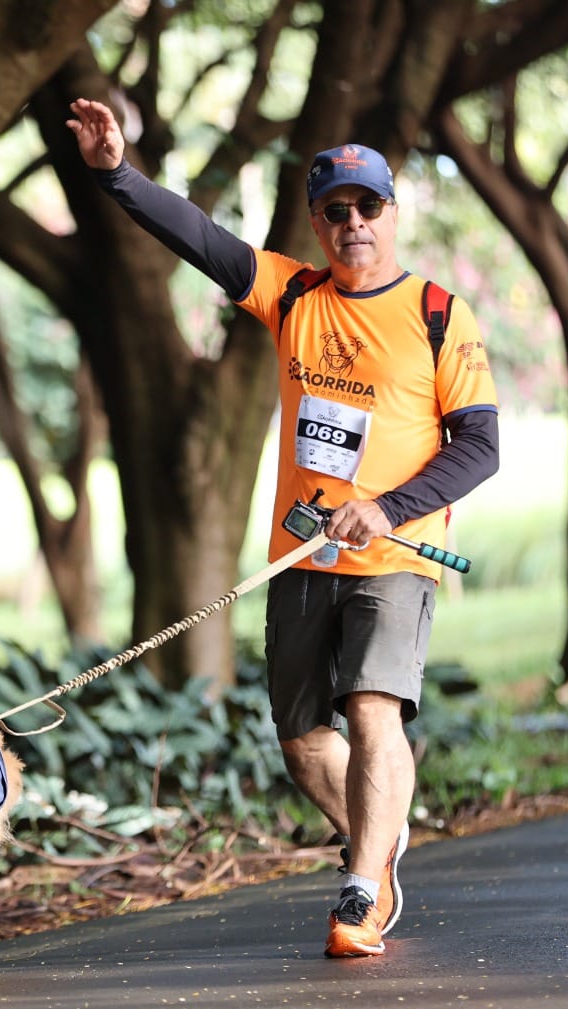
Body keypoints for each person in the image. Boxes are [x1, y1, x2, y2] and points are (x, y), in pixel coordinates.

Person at [66, 98, 499, 958]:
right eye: (335, 211)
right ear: (317, 223)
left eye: (368, 206)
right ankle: (378, 839)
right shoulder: (294, 294)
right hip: (300, 557)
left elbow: (480, 447)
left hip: (392, 556)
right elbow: (199, 237)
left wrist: (387, 506)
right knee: (306, 747)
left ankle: (362, 887)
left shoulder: (439, 314)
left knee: (374, 709)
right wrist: (116, 173)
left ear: (392, 213)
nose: (353, 224)